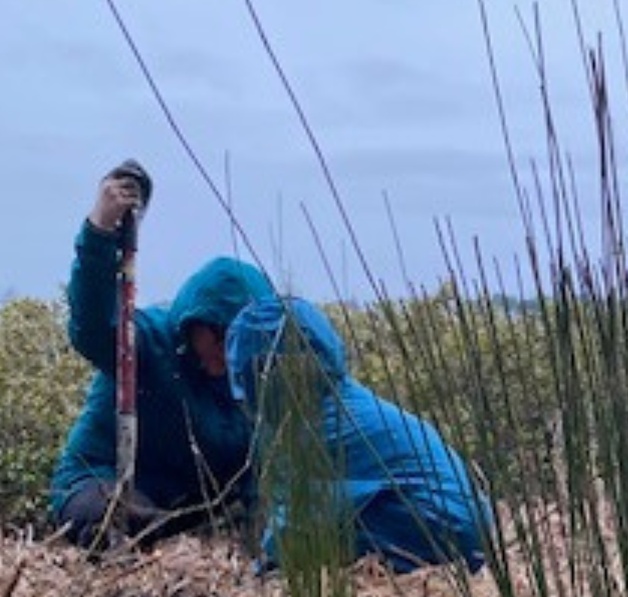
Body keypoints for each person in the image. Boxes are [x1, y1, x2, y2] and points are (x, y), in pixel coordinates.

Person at [51, 164, 275, 550]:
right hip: (103, 480)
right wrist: (100, 233)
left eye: (239, 340)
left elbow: (262, 472)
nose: (227, 352)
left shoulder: (258, 375)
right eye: (218, 337)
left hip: (193, 509)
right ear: (195, 324)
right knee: (114, 517)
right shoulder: (143, 342)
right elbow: (91, 327)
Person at [226, 295, 489, 574]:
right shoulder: (347, 403)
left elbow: (300, 518)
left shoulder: (314, 427)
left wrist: (265, 566)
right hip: (465, 526)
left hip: (437, 527)